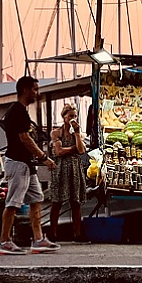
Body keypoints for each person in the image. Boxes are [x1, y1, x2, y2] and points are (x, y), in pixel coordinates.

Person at [0, 76, 60, 255]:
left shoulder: (20, 110)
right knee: (13, 203)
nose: (37, 93)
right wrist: (44, 157)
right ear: (25, 90)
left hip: (26, 164)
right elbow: (25, 138)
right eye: (35, 89)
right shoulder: (18, 111)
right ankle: (3, 242)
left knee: (37, 198)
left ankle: (38, 240)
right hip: (18, 164)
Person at [47, 104, 88, 242]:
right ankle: (53, 234)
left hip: (74, 169)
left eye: (75, 116)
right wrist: (73, 148)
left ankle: (78, 234)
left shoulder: (77, 134)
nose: (73, 119)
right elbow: (59, 152)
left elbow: (81, 150)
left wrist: (76, 133)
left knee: (75, 202)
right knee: (56, 201)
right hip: (60, 169)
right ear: (64, 117)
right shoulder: (56, 133)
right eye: (70, 116)